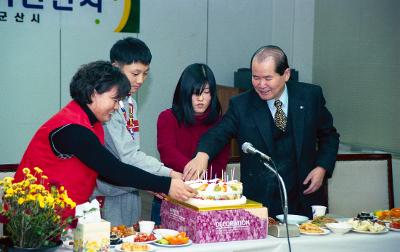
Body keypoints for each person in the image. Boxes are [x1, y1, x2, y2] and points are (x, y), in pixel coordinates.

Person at [14, 61, 196, 220]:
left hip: (57, 216)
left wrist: (150, 185)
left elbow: (103, 171)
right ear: (94, 93)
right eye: (114, 100)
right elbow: (113, 170)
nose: (117, 107)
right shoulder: (73, 128)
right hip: (33, 218)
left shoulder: (92, 123)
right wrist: (165, 184)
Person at [186, 45, 340, 218]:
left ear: (286, 74)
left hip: (305, 194)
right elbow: (218, 133)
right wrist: (203, 154)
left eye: (268, 78)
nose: (261, 85)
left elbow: (329, 136)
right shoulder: (241, 105)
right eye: (255, 77)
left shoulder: (310, 96)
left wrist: (322, 168)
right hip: (262, 201)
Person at [90, 37, 182, 226]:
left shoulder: (130, 103)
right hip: (108, 192)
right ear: (115, 67)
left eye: (145, 74)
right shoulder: (105, 105)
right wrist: (167, 173)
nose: (140, 80)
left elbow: (132, 150)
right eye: (135, 73)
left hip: (131, 188)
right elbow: (127, 156)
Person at [151, 63, 230, 224]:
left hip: (206, 200)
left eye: (206, 92)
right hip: (173, 196)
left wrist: (200, 187)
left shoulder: (220, 124)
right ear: (184, 93)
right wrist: (194, 171)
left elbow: (221, 163)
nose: (201, 99)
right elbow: (168, 153)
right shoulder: (168, 118)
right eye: (195, 93)